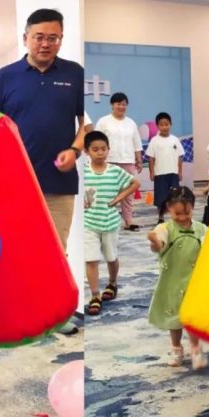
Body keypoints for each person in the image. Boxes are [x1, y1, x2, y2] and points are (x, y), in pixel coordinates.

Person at [0, 8, 85, 337]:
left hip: (59, 183)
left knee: (55, 252)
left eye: (53, 38)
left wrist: (75, 150)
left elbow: (86, 125)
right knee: (15, 252)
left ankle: (55, 314)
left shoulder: (75, 74)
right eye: (39, 37)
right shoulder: (5, 77)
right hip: (15, 184)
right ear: (25, 37)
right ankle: (20, 313)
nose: (45, 44)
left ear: (61, 40)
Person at [146, 186, 208, 370]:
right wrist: (155, 242)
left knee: (192, 316)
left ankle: (195, 348)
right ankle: (176, 348)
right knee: (174, 316)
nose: (182, 218)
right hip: (172, 280)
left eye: (187, 213)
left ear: (193, 207)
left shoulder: (201, 229)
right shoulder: (165, 228)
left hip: (194, 280)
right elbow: (159, 245)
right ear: (169, 209)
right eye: (177, 213)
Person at [83, 130, 140, 315]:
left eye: (103, 149)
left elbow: (135, 183)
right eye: (95, 149)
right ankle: (95, 295)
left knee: (111, 257)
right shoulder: (83, 171)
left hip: (110, 223)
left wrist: (119, 198)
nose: (100, 153)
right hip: (89, 223)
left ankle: (112, 283)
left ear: (108, 149)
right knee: (91, 259)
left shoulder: (115, 171)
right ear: (86, 151)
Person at [94, 92, 143, 231]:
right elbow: (96, 141)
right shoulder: (103, 121)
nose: (121, 107)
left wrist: (139, 160)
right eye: (118, 104)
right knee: (108, 192)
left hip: (128, 161)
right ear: (112, 105)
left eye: (124, 104)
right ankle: (106, 220)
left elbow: (136, 143)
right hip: (109, 161)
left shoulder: (131, 123)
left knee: (128, 193)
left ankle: (128, 221)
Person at [145, 113, 184, 223]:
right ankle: (161, 217)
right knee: (160, 198)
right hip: (160, 174)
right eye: (161, 125)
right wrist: (151, 172)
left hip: (173, 173)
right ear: (157, 126)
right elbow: (151, 158)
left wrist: (180, 172)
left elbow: (180, 157)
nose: (164, 127)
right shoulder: (154, 140)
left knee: (175, 197)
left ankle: (175, 217)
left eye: (166, 124)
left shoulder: (175, 140)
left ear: (170, 124)